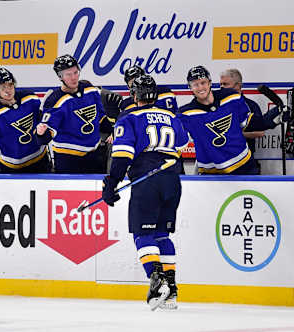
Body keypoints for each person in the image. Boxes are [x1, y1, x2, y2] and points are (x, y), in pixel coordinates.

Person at [102, 74, 188, 310]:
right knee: (162, 235)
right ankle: (171, 291)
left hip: (147, 179)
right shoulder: (172, 116)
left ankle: (157, 282)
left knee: (142, 234)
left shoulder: (129, 118)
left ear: (134, 95)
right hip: (172, 179)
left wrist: (111, 183)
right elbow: (182, 144)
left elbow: (122, 156)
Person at [178, 66, 286, 175]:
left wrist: (273, 119)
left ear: (210, 82)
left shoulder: (231, 97)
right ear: (190, 87)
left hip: (244, 167)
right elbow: (176, 141)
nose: (200, 87)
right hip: (211, 175)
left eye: (203, 82)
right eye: (195, 84)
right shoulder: (185, 114)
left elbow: (251, 124)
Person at [35, 54, 113, 173]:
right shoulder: (55, 100)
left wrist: (114, 129)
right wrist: (41, 133)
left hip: (95, 156)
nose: (74, 77)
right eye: (68, 74)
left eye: (76, 72)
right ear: (60, 76)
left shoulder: (90, 90)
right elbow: (45, 137)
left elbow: (101, 119)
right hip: (69, 160)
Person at [0, 66, 50, 173]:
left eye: (9, 85)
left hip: (40, 162)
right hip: (11, 169)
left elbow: (43, 129)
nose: (8, 90)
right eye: (2, 87)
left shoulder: (30, 98)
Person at [219, 69, 265, 169]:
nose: (222, 87)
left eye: (225, 84)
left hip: (245, 163)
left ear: (238, 86)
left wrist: (232, 135)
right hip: (220, 164)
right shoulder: (215, 107)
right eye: (220, 84)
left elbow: (260, 132)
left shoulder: (251, 106)